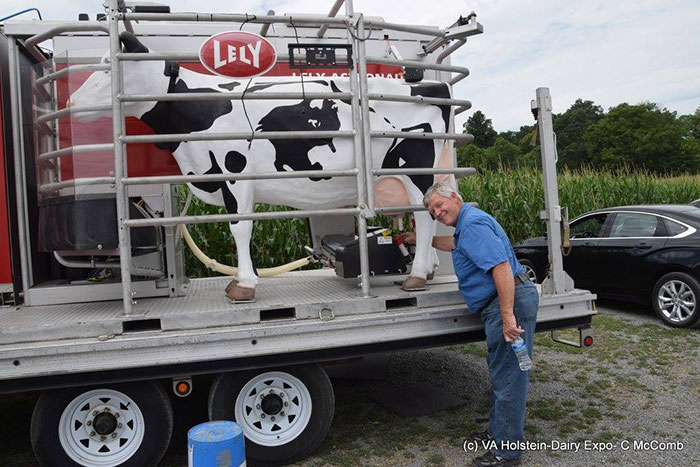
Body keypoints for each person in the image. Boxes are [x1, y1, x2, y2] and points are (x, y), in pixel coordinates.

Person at [402, 181, 538, 467]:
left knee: (510, 378)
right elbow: (454, 244)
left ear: (454, 197)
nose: (437, 213)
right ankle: (497, 433)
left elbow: (500, 267)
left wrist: (507, 316)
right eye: (431, 210)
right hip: (499, 302)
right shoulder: (465, 227)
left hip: (505, 302)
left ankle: (506, 452)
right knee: (503, 373)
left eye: (439, 205)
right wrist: (419, 240)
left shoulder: (472, 223)